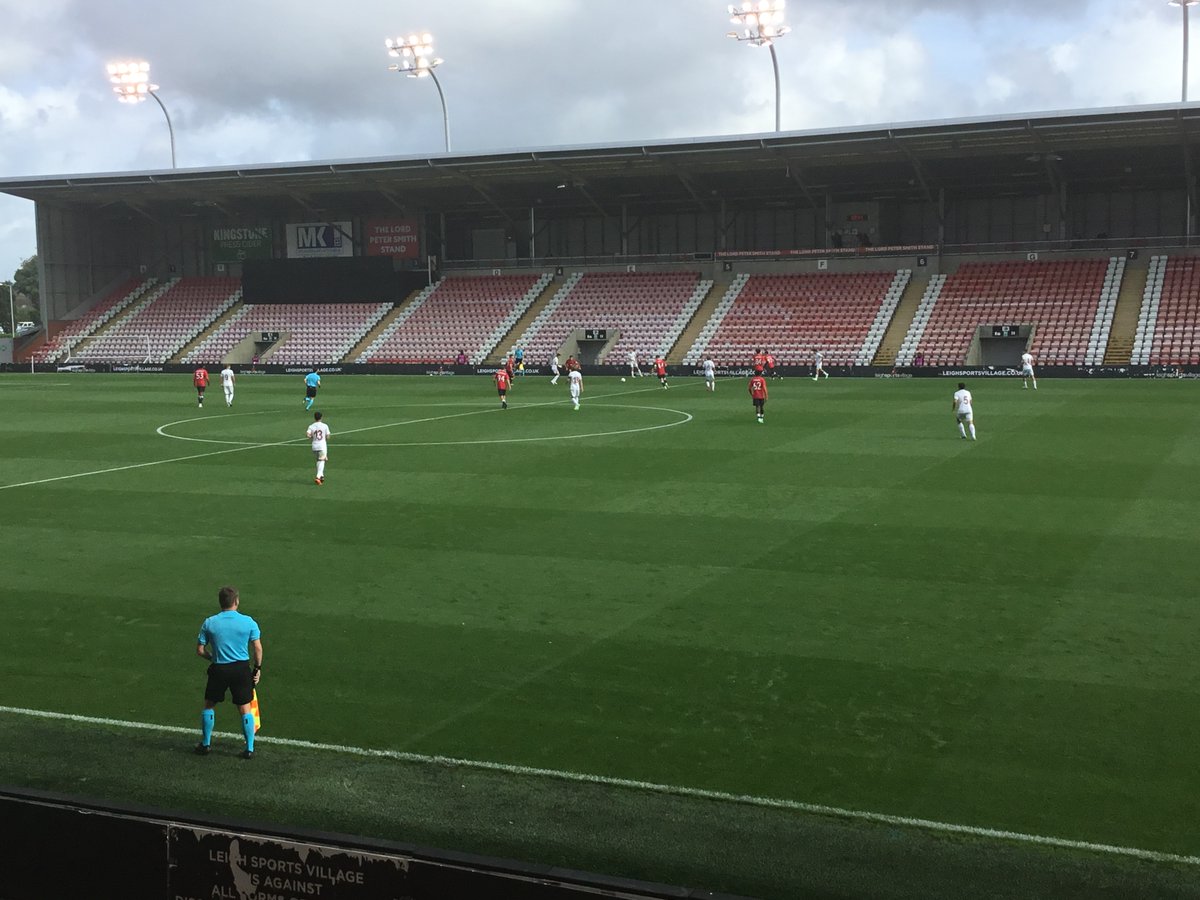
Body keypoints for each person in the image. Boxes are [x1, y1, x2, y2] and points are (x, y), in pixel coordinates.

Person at [195, 585, 262, 760]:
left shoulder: (210, 622)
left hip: (219, 669)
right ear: (236, 601)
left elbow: (200, 650)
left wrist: (214, 657)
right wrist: (257, 669)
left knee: (209, 705)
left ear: (220, 602)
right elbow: (257, 648)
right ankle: (249, 748)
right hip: (240, 669)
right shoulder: (249, 622)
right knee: (245, 708)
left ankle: (206, 744)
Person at [307, 410, 331, 484]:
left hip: (314, 446)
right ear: (321, 417)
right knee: (322, 460)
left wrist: (312, 437)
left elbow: (308, 435)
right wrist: (325, 438)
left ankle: (321, 476)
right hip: (322, 445)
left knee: (319, 460)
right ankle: (318, 476)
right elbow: (328, 436)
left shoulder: (311, 426)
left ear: (314, 418)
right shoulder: (325, 425)